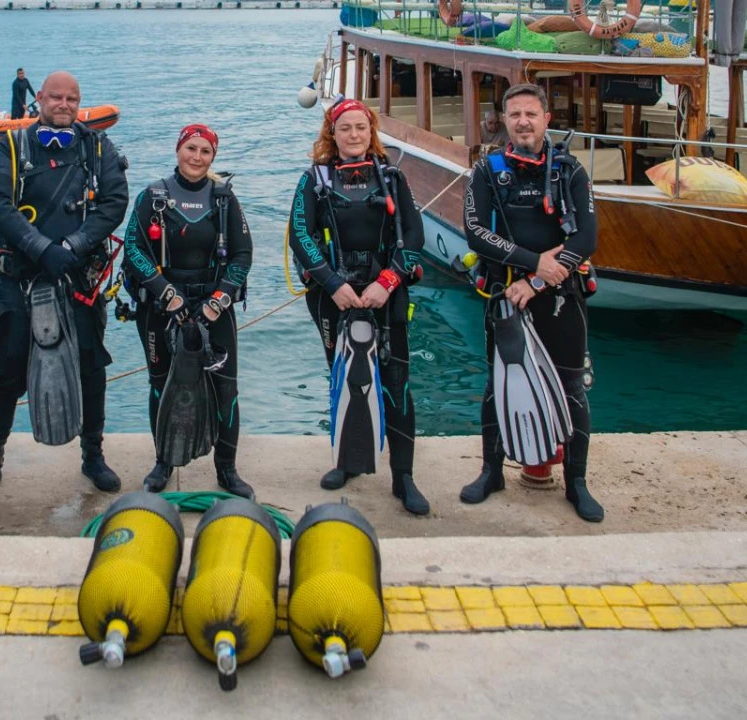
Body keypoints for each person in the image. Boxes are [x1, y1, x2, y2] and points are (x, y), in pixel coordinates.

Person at [0, 70, 128, 502]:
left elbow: (115, 201)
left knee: (92, 370)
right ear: (39, 98)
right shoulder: (11, 145)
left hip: (78, 277)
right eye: (55, 97)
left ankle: (92, 456)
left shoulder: (97, 148)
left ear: (80, 103)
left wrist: (74, 244)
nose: (63, 104)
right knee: (2, 372)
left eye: (71, 99)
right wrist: (41, 248)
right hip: (20, 280)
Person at [460, 82, 602, 522]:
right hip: (505, 294)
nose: (523, 121)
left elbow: (587, 237)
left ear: (546, 120)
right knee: (496, 384)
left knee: (573, 386)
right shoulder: (486, 171)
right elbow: (475, 232)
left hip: (560, 295)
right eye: (515, 114)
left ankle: (576, 483)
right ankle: (492, 471)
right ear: (503, 121)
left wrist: (539, 281)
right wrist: (530, 265)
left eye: (531, 114)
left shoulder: (570, 171)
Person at [288, 98, 430, 515]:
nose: (354, 135)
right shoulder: (314, 179)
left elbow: (414, 238)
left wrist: (388, 282)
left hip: (385, 294)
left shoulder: (391, 177)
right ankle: (347, 462)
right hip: (335, 296)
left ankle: (403, 476)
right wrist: (332, 284)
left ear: (371, 133)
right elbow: (300, 234)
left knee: (396, 379)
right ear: (332, 133)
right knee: (345, 377)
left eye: (361, 128)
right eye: (345, 128)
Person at [122, 123, 254, 498]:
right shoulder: (153, 196)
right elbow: (134, 250)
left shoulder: (224, 198)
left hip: (214, 307)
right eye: (191, 148)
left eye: (205, 151)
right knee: (160, 383)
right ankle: (163, 461)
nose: (197, 157)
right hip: (162, 307)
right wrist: (168, 295)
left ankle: (226, 470)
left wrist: (218, 300)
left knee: (226, 389)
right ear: (178, 149)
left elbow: (243, 254)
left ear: (213, 156)